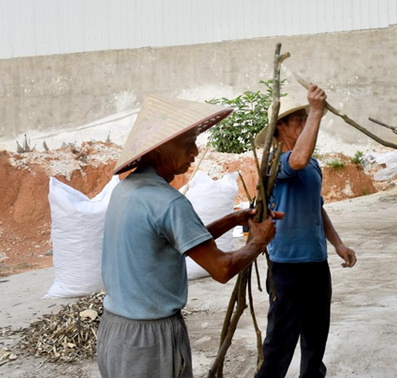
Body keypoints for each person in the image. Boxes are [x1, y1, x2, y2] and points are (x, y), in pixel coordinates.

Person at [96, 95, 282, 378]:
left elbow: (183, 241)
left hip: (114, 331)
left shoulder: (127, 189)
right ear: (158, 148)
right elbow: (220, 268)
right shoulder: (169, 202)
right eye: (187, 143)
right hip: (150, 338)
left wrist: (234, 218)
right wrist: (260, 241)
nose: (195, 151)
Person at [254, 87, 357, 378]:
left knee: (315, 343)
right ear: (279, 128)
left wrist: (337, 243)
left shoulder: (313, 164)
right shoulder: (275, 164)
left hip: (316, 264)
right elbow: (296, 160)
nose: (302, 124)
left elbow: (317, 208)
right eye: (296, 120)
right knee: (278, 346)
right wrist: (315, 112)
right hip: (286, 268)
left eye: (303, 118)